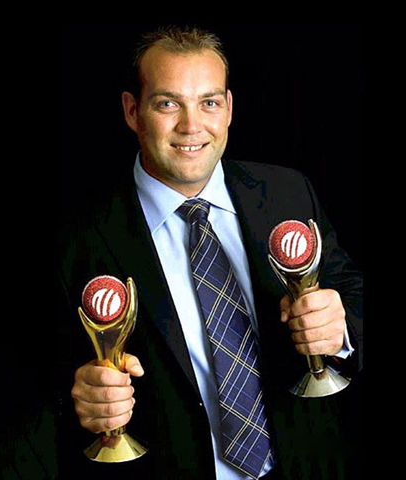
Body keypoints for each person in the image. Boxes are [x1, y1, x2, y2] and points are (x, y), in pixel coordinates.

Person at [56, 26, 363, 479]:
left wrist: (341, 328)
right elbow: (34, 389)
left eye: (209, 103)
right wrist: (79, 400)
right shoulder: (77, 239)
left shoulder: (286, 192)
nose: (191, 126)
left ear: (229, 108)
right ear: (132, 111)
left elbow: (352, 292)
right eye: (168, 104)